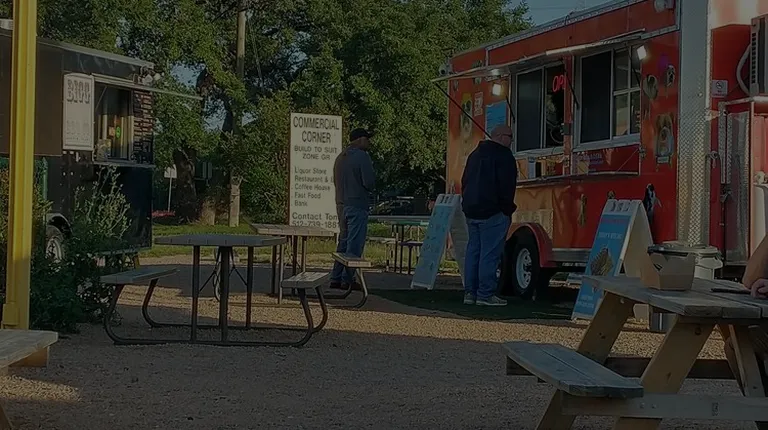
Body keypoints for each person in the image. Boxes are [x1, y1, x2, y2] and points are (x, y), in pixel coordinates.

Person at [460, 125, 518, 306]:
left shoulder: (474, 155)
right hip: (493, 212)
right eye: (510, 136)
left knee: (473, 252)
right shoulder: (504, 156)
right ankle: (485, 295)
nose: (512, 140)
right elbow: (507, 186)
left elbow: (465, 181)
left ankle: (470, 293)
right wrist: (507, 209)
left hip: (471, 210)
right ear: (500, 136)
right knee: (490, 254)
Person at [329, 128, 376, 290]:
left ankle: (335, 277)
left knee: (343, 242)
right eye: (367, 139)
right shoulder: (362, 156)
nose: (369, 142)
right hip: (357, 204)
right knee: (354, 244)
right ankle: (347, 279)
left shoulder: (340, 157)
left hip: (341, 203)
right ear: (360, 139)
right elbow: (369, 182)